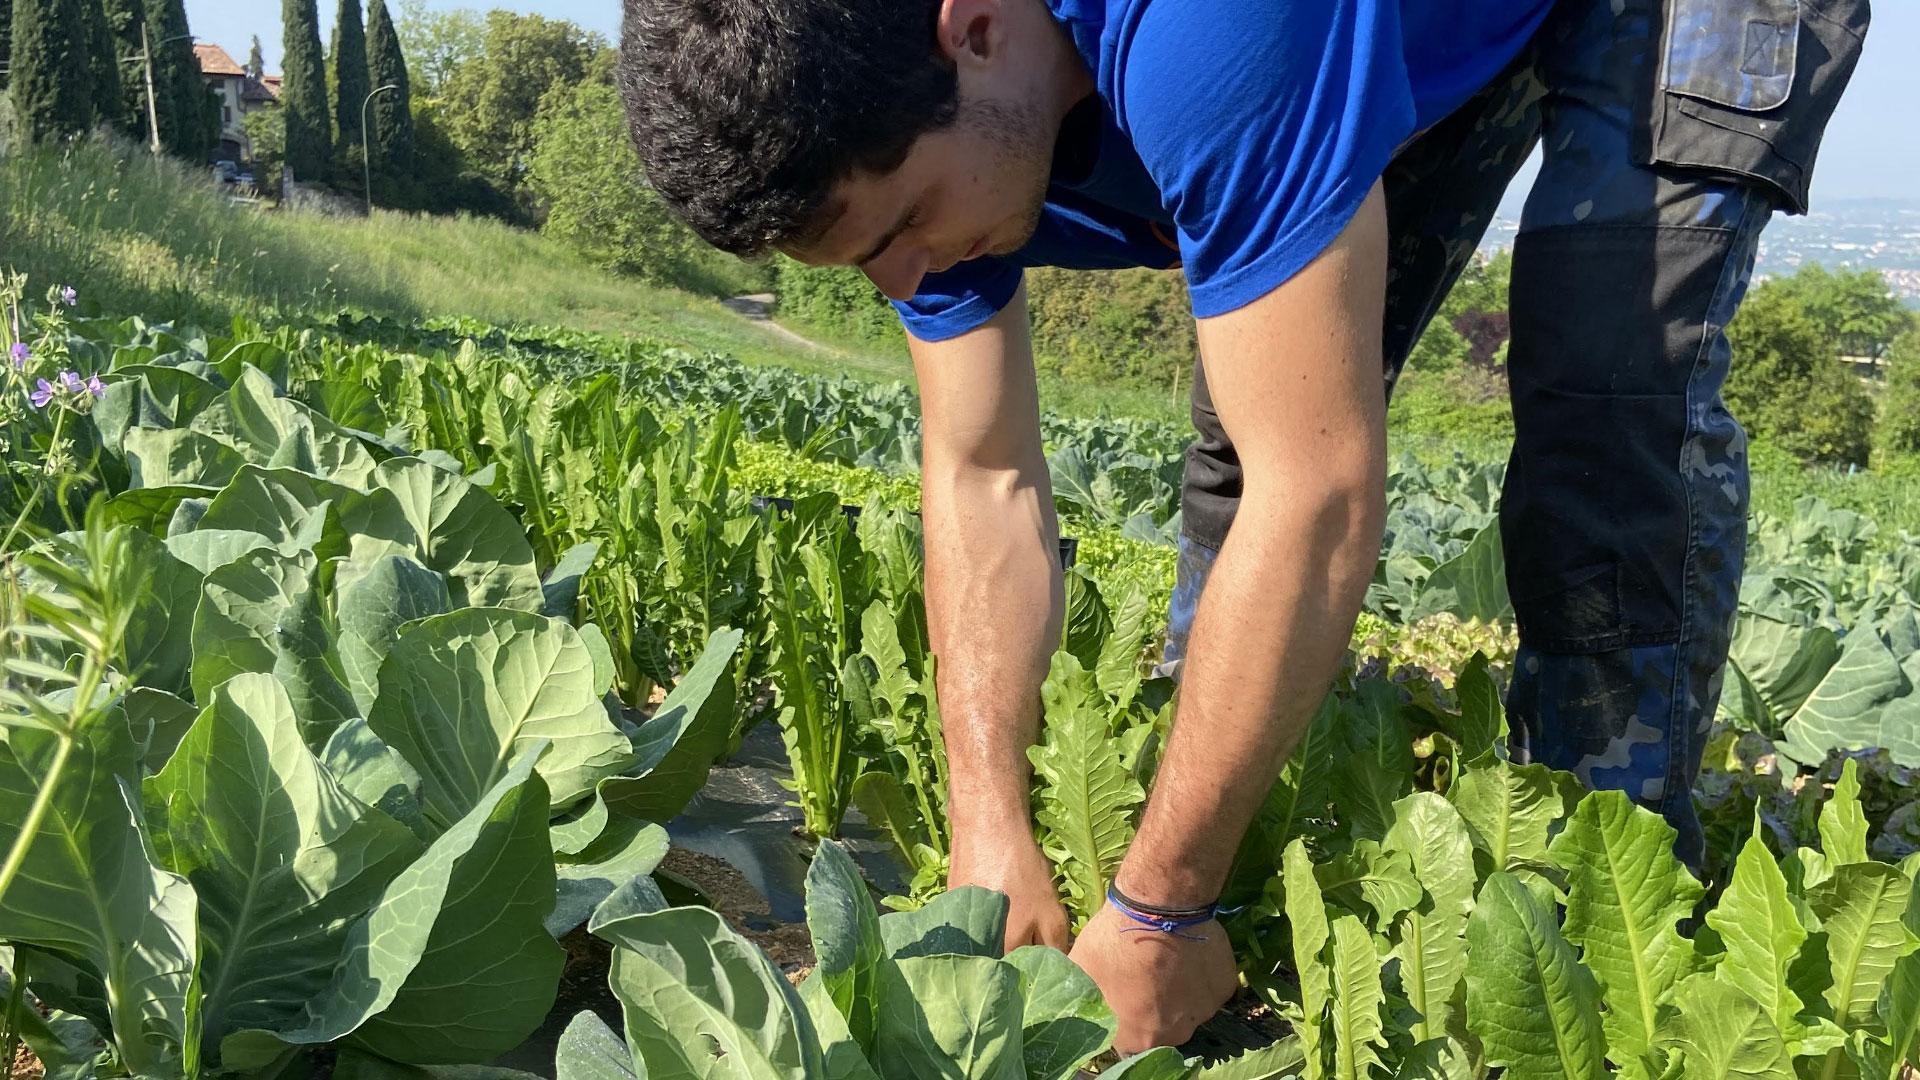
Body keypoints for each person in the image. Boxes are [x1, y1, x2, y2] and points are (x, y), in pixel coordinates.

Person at [618, 0, 1868, 1052]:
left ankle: (1606, 928)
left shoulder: (1209, 37)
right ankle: (1215, 882)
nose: (905, 283)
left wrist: (1156, 909)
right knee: (1250, 416)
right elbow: (982, 472)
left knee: (1608, 394)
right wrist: (987, 823)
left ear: (977, 31)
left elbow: (1319, 498)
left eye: (899, 231)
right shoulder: (909, 97)